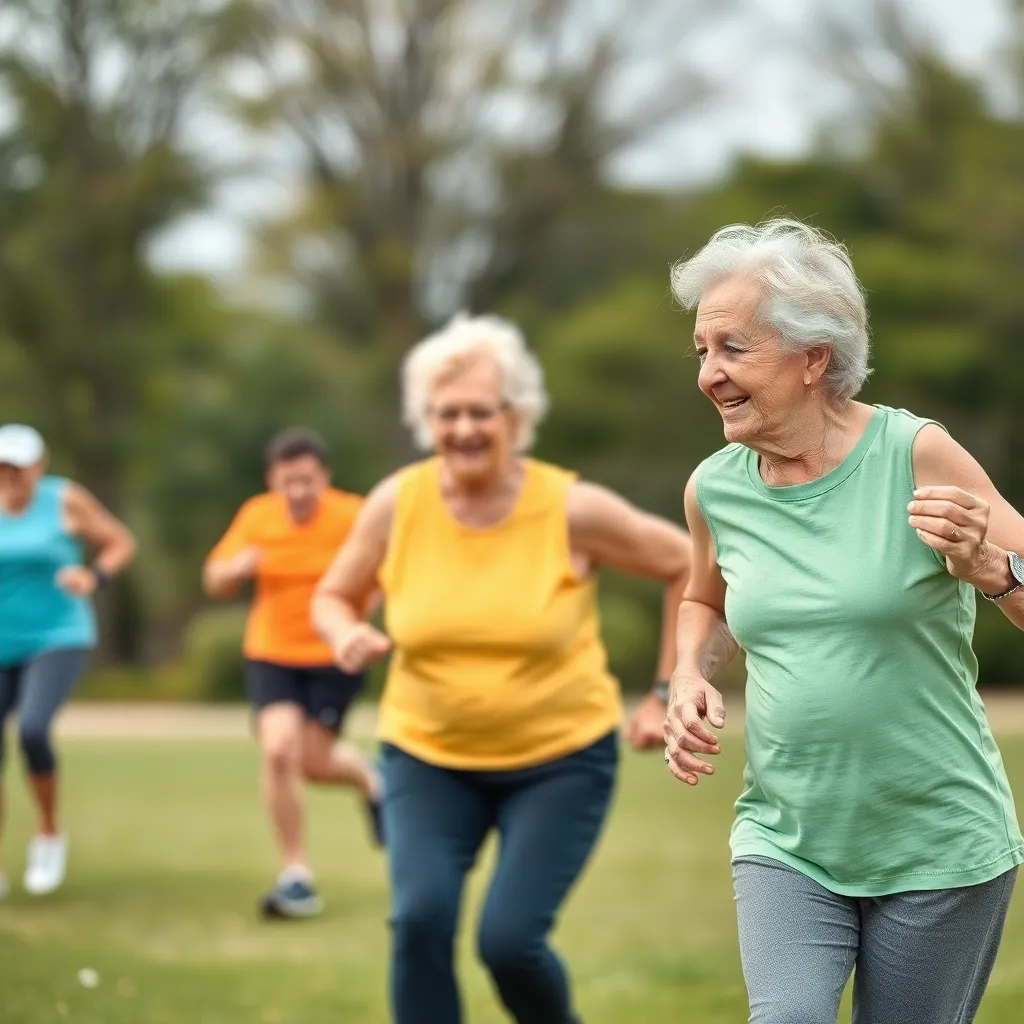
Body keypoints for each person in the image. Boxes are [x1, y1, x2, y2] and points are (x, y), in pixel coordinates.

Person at [664, 218, 1024, 1024]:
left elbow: (1017, 569)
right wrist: (688, 673)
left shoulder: (915, 453)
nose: (708, 375)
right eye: (701, 352)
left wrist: (992, 571)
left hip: (940, 844)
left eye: (731, 349)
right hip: (788, 838)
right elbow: (705, 599)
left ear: (812, 358)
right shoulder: (715, 489)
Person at [311, 313, 689, 1024]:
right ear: (427, 420)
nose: (462, 430)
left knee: (509, 942)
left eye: (480, 411)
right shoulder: (399, 503)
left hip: (559, 761)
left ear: (516, 416)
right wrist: (344, 631)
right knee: (419, 923)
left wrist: (668, 688)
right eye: (446, 413)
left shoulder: (570, 507)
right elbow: (332, 594)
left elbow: (687, 564)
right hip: (427, 755)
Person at [202, 427, 383, 919]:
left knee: (316, 765)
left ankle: (370, 779)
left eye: (307, 481)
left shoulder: (353, 515)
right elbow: (213, 577)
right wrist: (238, 567)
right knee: (279, 749)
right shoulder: (257, 516)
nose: (299, 492)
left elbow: (387, 573)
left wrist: (361, 621)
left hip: (333, 654)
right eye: (289, 482)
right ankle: (296, 874)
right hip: (272, 651)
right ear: (272, 480)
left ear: (325, 477)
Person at [0, 424, 136, 900]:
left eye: (18, 467)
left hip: (57, 635)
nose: (10, 476)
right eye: (3, 467)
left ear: (38, 467)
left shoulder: (64, 500)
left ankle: (49, 834)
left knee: (33, 729)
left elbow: (120, 541)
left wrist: (93, 577)